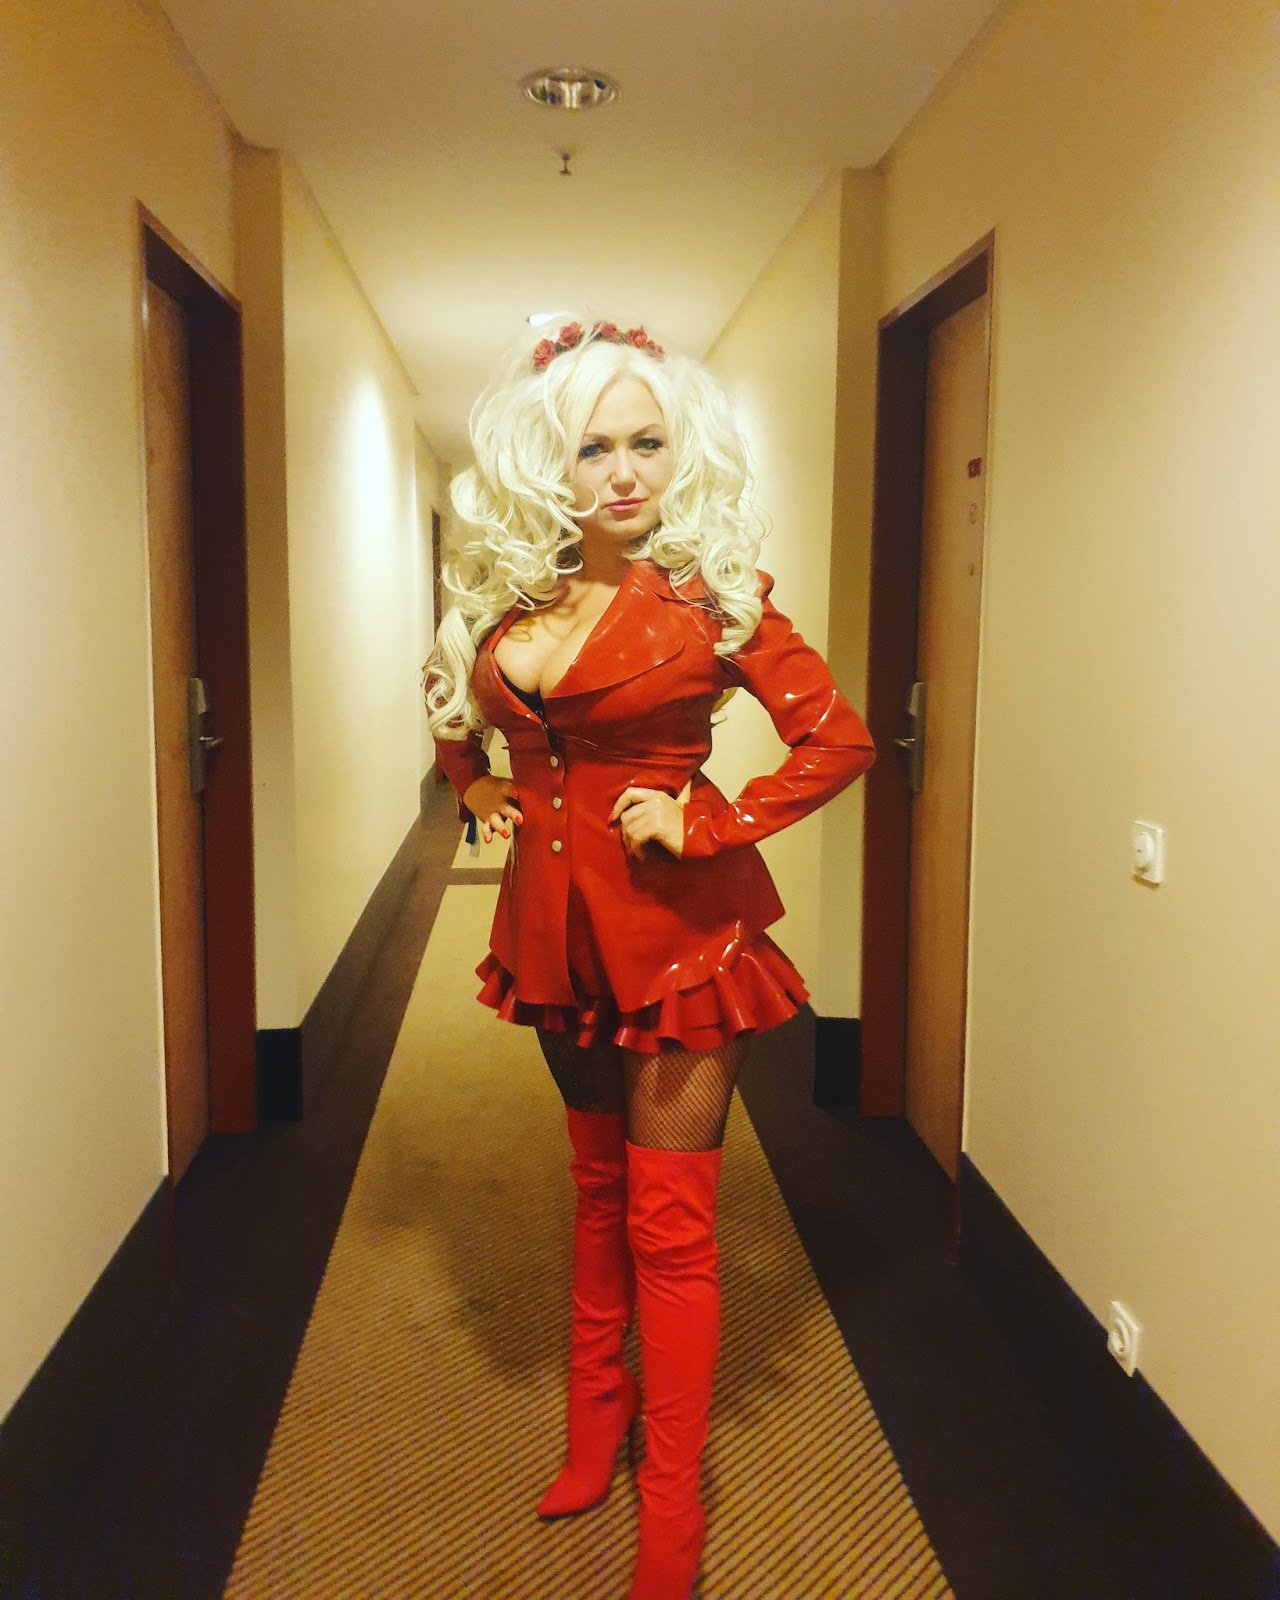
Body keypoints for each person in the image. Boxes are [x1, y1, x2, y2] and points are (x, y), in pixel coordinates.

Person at [423, 317, 874, 1600]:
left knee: (671, 1230)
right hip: (549, 940)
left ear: (683, 453)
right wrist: (474, 783)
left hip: (681, 943)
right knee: (594, 1193)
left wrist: (709, 820)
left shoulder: (714, 599)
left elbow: (837, 739)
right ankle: (593, 1424)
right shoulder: (510, 598)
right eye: (591, 449)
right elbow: (456, 700)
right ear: (545, 465)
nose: (622, 471)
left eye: (646, 442)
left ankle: (671, 1501)